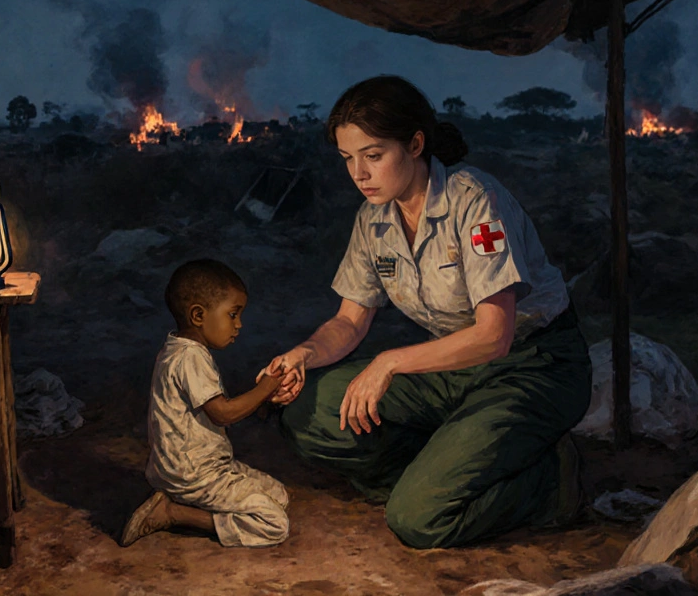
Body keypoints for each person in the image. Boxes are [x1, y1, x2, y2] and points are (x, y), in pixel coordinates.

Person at [264, 75, 591, 549]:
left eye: (373, 155)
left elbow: (493, 337)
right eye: (347, 159)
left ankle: (553, 483)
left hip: (531, 365)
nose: (359, 173)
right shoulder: (373, 219)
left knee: (418, 520)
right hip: (450, 368)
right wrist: (303, 354)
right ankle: (443, 463)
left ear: (415, 143)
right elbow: (350, 320)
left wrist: (390, 362)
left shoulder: (474, 200)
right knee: (306, 415)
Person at [121, 259, 290, 548]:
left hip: (194, 465)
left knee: (280, 495)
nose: (239, 325)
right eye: (233, 315)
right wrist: (265, 389)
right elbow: (221, 414)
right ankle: (175, 513)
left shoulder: (178, 348)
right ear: (198, 315)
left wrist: (262, 402)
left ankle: (176, 499)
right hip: (195, 473)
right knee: (275, 524)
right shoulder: (191, 358)